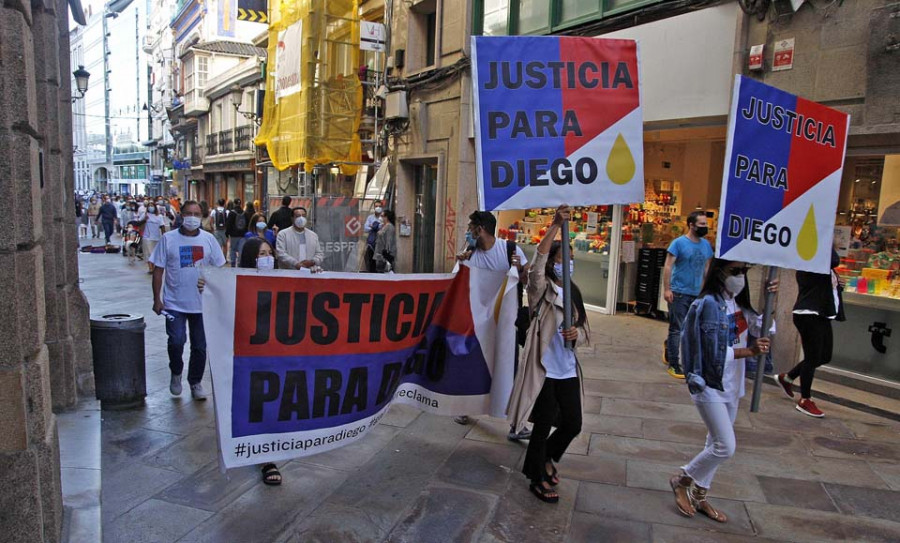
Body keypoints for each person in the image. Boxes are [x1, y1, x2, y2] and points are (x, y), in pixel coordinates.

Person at [670, 259, 777, 523]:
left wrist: (770, 299)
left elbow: (761, 327)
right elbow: (709, 350)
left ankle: (700, 494)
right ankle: (682, 479)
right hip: (709, 384)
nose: (740, 277)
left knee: (714, 442)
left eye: (744, 271)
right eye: (734, 271)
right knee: (725, 447)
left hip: (733, 384)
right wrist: (748, 351)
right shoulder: (706, 304)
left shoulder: (739, 303)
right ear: (719, 273)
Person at [507, 205, 587, 504]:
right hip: (544, 367)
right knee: (541, 424)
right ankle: (536, 477)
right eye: (562, 257)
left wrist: (576, 333)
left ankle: (548, 457)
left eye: (571, 257)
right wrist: (555, 225)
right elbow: (538, 263)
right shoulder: (541, 288)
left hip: (566, 366)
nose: (568, 262)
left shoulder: (572, 291)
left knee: (573, 423)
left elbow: (578, 327)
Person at [454, 210, 531, 442]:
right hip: (477, 325)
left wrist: (519, 270)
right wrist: (460, 264)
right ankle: (465, 407)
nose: (468, 232)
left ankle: (517, 424)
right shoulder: (470, 254)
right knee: (473, 365)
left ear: (481, 229)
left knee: (509, 370)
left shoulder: (511, 250)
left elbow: (527, 283)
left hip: (506, 323)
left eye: (471, 228)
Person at [150, 200, 226, 401]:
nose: (192, 217)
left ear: (201, 216)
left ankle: (195, 381)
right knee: (176, 341)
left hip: (202, 304)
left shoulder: (209, 240)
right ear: (181, 215)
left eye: (197, 213)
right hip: (174, 302)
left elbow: (220, 269)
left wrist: (217, 293)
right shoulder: (168, 239)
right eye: (189, 213)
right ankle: (176, 372)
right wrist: (157, 299)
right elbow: (158, 270)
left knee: (200, 346)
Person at [776, 249, 845, 418]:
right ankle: (805, 399)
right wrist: (826, 238)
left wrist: (837, 285)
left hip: (822, 314)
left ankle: (788, 378)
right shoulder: (812, 261)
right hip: (809, 314)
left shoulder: (821, 265)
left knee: (824, 356)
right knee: (813, 357)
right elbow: (834, 259)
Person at [663, 210, 714, 379]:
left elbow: (707, 268)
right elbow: (668, 266)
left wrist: (707, 290)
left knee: (692, 329)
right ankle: (674, 363)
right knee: (677, 328)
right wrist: (667, 289)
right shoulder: (678, 243)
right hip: (679, 292)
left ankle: (674, 350)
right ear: (691, 225)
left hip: (697, 293)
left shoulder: (706, 245)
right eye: (701, 224)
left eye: (705, 224)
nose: (705, 227)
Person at [141, 202, 166, 274]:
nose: (150, 207)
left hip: (156, 237)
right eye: (149, 206)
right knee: (149, 253)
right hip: (147, 237)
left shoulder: (159, 216)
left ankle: (154, 266)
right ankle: (150, 268)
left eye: (152, 206)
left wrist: (164, 235)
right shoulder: (145, 215)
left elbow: (162, 226)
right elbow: (139, 223)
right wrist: (144, 219)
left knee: (155, 254)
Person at [225, 199, 251, 267]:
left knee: (233, 249)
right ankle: (239, 263)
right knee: (241, 250)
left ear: (234, 203)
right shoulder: (245, 213)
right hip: (243, 235)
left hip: (233, 235)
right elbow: (248, 224)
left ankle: (233, 263)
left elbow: (229, 224)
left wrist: (227, 233)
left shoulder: (231, 213)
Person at [363, 204, 382, 272]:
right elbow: (365, 228)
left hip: (381, 242)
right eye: (376, 206)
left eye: (379, 206)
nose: (378, 207)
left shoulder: (383, 218)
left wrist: (372, 226)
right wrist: (374, 228)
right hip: (371, 242)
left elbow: (382, 228)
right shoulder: (370, 217)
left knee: (380, 259)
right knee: (370, 258)